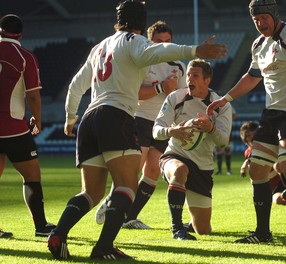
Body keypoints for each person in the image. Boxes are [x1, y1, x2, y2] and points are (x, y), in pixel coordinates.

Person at [47, 0, 227, 260]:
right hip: (116, 115)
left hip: (89, 118)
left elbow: (76, 84)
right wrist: (195, 49)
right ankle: (104, 247)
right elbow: (159, 52)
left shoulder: (100, 46)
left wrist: (70, 117)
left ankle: (59, 233)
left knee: (91, 193)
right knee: (127, 186)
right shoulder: (134, 41)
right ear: (141, 22)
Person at [206, 0, 286, 246]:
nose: (260, 23)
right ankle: (263, 232)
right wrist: (225, 99)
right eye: (255, 20)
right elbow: (252, 77)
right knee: (257, 170)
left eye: (264, 18)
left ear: (274, 15)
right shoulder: (258, 44)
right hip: (271, 115)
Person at [94, 20, 187, 230]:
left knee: (153, 170)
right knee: (132, 170)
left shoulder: (179, 66)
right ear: (149, 41)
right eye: (158, 41)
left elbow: (180, 98)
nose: (164, 46)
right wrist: (162, 88)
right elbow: (134, 93)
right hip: (140, 119)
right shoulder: (142, 63)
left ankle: (129, 217)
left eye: (168, 41)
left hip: (163, 124)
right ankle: (110, 202)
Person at [153, 59, 232, 240]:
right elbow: (156, 131)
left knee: (203, 229)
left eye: (195, 75)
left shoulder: (222, 105)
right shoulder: (175, 97)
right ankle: (176, 228)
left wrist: (210, 128)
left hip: (202, 166)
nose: (189, 79)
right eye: (188, 75)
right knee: (180, 170)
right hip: (174, 155)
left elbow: (223, 142)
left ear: (207, 80)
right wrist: (171, 131)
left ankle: (191, 222)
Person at [0, 14, 55, 238]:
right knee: (32, 175)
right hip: (14, 128)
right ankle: (41, 226)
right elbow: (33, 96)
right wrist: (37, 120)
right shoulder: (25, 57)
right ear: (21, 34)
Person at [215, 107, 237, 175]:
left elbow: (234, 115)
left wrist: (228, 121)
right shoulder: (214, 105)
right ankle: (219, 171)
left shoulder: (228, 106)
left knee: (227, 149)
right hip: (217, 129)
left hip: (227, 130)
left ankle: (229, 170)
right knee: (218, 149)